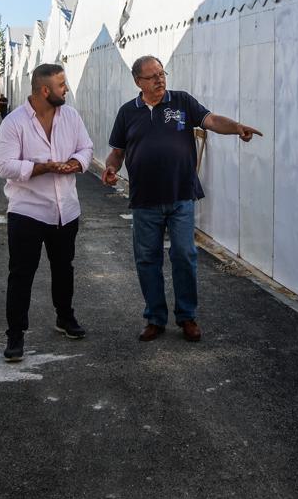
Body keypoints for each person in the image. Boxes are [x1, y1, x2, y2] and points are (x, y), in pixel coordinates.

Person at [101, 56, 262, 343]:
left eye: (162, 73)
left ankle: (187, 316)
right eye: (152, 76)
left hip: (181, 195)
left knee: (184, 255)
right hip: (145, 200)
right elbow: (117, 151)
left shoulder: (182, 102)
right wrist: (111, 167)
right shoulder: (128, 112)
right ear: (138, 81)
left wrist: (235, 126)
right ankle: (155, 318)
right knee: (147, 259)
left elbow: (210, 120)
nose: (160, 80)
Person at [0, 63, 93, 361]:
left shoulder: (71, 116)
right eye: (62, 85)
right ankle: (15, 335)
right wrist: (44, 168)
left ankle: (65, 317)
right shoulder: (14, 123)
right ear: (45, 90)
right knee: (21, 274)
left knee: (64, 268)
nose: (67, 89)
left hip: (66, 209)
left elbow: (86, 148)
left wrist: (75, 164)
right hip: (27, 211)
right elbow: (5, 166)